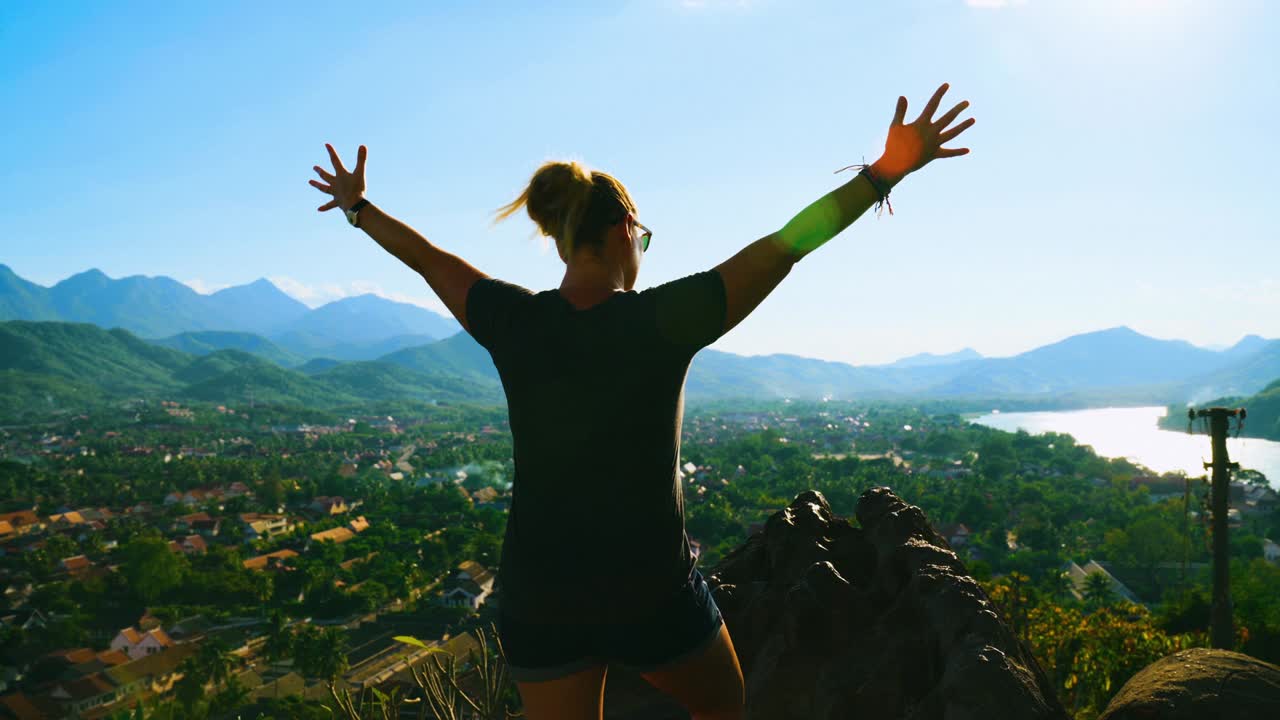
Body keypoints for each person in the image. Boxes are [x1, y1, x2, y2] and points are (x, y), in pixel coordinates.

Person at [308, 82, 973, 720]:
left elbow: (426, 258)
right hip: (650, 592)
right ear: (625, 228)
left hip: (541, 595)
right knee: (718, 704)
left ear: (562, 239)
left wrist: (359, 209)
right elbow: (784, 247)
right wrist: (883, 173)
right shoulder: (661, 321)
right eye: (644, 239)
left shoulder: (512, 321)